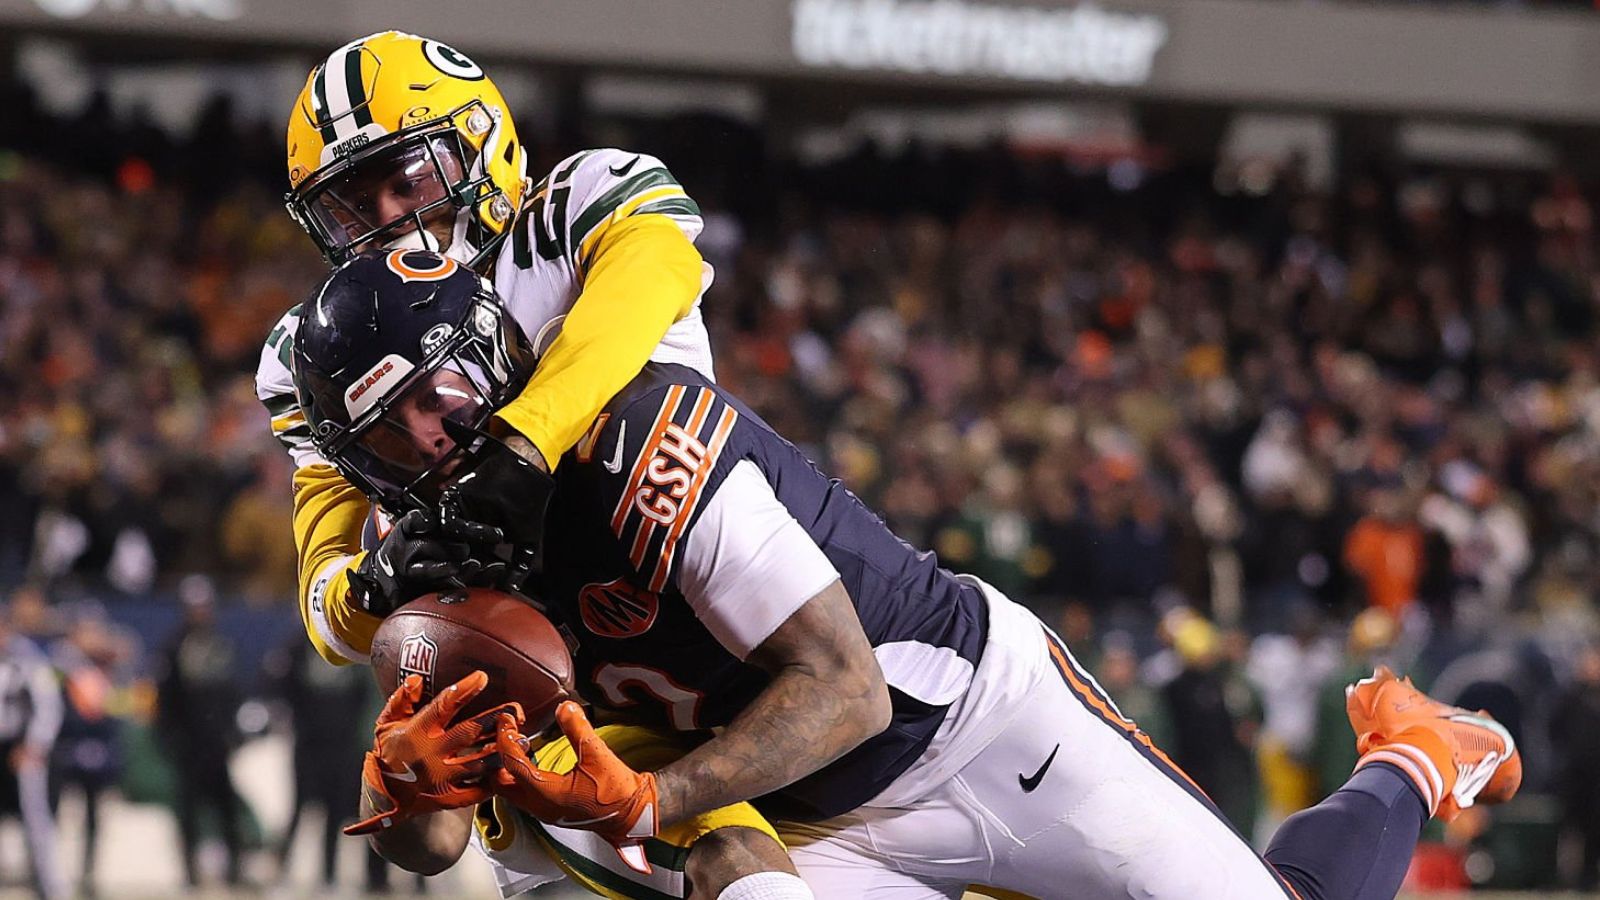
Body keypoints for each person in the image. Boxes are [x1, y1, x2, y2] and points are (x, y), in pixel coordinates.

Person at [295, 252, 1525, 899]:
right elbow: (440, 846)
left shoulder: (632, 435)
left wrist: (650, 806)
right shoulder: (423, 581)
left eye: (444, 397)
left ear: (500, 355)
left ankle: (1415, 754)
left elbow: (843, 690)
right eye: (390, 433)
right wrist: (404, 792)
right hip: (801, 826)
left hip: (970, 720)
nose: (435, 443)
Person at [257, 31, 810, 900]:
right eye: (350, 210)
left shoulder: (578, 205)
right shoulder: (319, 348)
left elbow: (648, 281)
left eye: (409, 180)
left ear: (481, 140)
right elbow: (328, 612)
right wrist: (374, 583)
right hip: (555, 691)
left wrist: (522, 449)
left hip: (706, 617)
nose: (388, 223)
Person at [154, 576, 247, 888]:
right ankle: (190, 871)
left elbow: (232, 692)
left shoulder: (220, 644)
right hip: (189, 742)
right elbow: (165, 699)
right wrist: (172, 738)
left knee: (226, 807)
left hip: (217, 742)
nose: (201, 612)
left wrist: (232, 732)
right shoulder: (173, 648)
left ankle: (235, 868)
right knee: (188, 809)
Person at [0, 603, 65, 900]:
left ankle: (50, 888)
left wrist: (32, 745)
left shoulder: (28, 660)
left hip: (20, 748)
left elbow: (48, 707)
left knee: (36, 822)